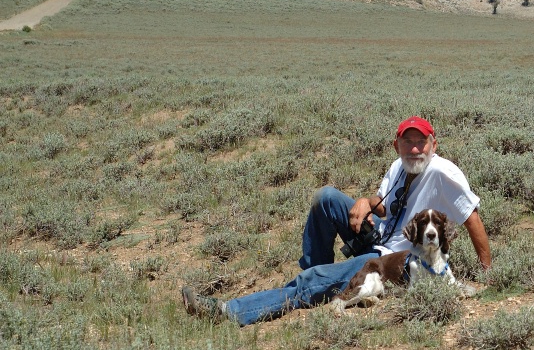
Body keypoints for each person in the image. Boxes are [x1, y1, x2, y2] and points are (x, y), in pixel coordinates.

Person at [181, 115, 491, 326]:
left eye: (420, 142)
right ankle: (322, 278)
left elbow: (471, 216)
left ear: (433, 144)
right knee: (326, 198)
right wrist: (364, 202)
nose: (414, 148)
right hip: (379, 236)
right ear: (396, 145)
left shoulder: (441, 172)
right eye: (407, 142)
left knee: (314, 279)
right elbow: (383, 208)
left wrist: (487, 271)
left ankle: (231, 311)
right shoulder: (400, 166)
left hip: (389, 257)